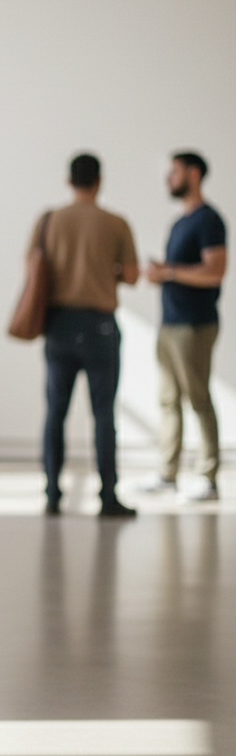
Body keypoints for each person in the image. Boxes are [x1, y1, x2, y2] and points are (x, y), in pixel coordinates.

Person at [28, 153, 139, 516]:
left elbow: (31, 265)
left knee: (55, 412)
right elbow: (133, 275)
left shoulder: (50, 220)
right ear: (99, 180)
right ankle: (108, 496)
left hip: (59, 325)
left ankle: (52, 495)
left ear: (69, 180)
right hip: (99, 327)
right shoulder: (116, 223)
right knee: (104, 413)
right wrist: (108, 272)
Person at [145, 152, 227, 500]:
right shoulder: (180, 223)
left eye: (175, 171)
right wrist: (163, 272)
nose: (169, 177)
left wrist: (171, 272)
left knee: (198, 398)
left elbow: (215, 271)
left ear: (193, 174)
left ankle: (208, 478)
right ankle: (168, 475)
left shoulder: (209, 220)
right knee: (167, 400)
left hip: (194, 325)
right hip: (169, 323)